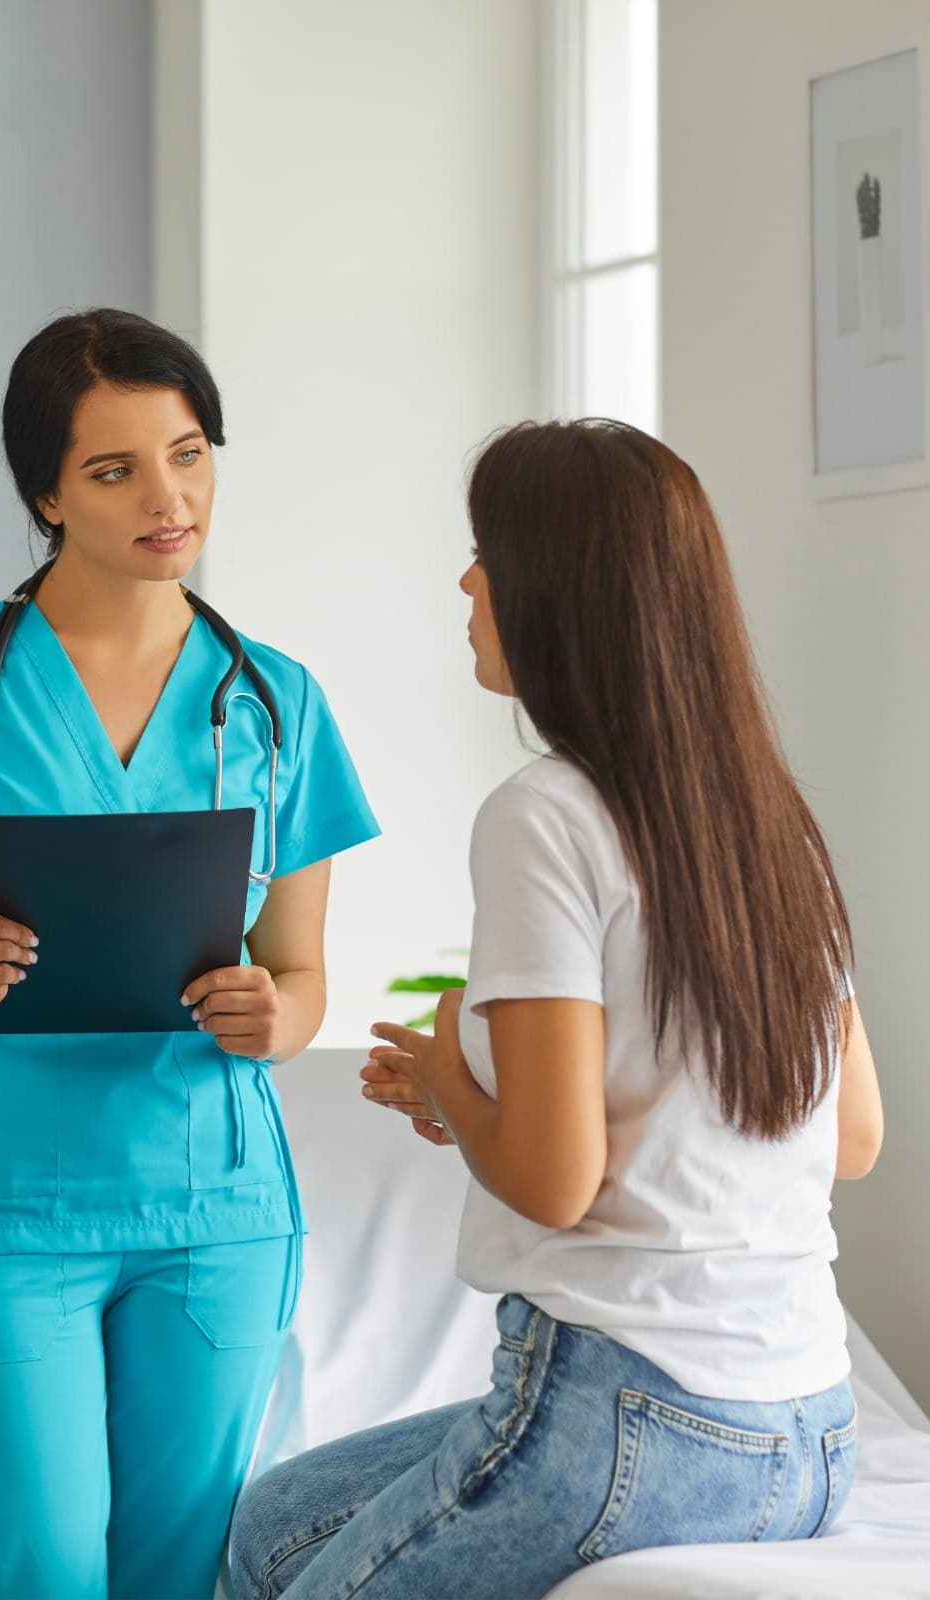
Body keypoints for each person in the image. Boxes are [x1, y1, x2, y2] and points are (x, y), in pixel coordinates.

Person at [228, 419, 884, 1599]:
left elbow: (551, 1181)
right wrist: (485, 1099)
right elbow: (849, 1135)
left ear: (562, 591)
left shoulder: (545, 813)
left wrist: (449, 1081)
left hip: (630, 1411)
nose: (468, 581)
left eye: (488, 551)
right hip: (810, 1428)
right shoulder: (771, 819)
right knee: (272, 1524)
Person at [0, 308, 379, 1600]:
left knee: (179, 1576)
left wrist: (267, 1017)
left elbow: (303, 979)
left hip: (212, 1210)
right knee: (37, 1567)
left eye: (188, 455)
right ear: (44, 492)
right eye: (115, 470)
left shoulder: (275, 698)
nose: (166, 498)